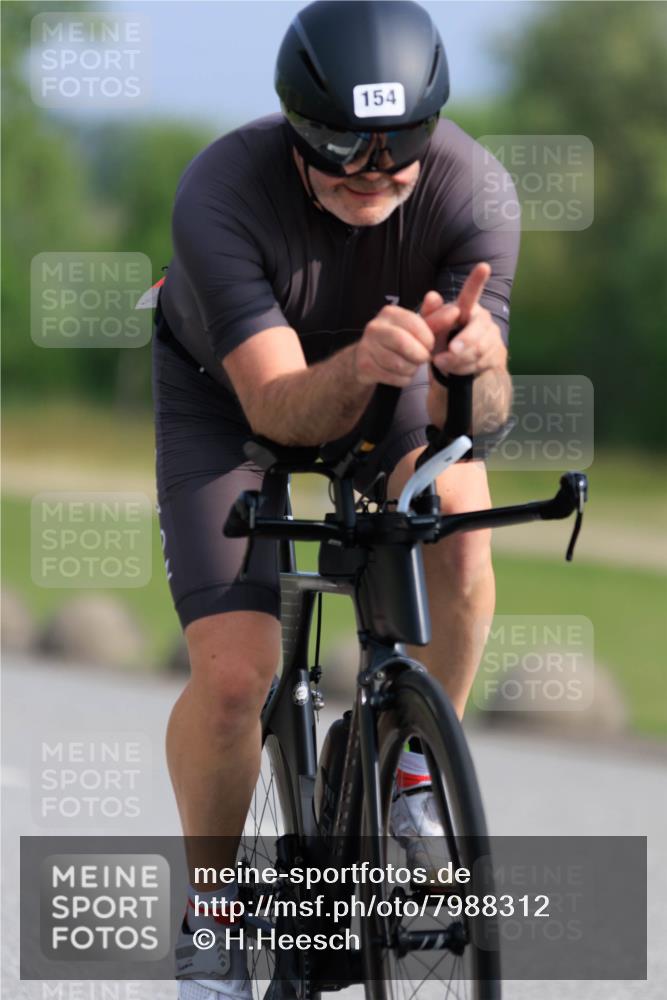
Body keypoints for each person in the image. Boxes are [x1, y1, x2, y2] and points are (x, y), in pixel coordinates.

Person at [152, 1, 519, 995]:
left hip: (391, 381)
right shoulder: (223, 188)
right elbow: (276, 406)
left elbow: (476, 416)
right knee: (236, 678)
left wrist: (477, 362)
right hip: (226, 396)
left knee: (465, 563)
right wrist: (361, 356)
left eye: (394, 156)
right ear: (297, 131)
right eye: (342, 155)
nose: (371, 176)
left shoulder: (474, 188)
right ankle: (216, 916)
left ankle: (402, 761)